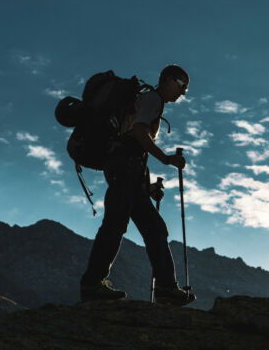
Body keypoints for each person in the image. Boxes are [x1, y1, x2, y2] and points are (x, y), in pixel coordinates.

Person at [80, 64, 195, 306]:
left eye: (185, 88)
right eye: (181, 84)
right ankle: (93, 284)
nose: (183, 92)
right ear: (167, 79)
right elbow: (139, 133)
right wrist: (166, 159)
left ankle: (164, 287)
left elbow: (134, 146)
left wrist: (147, 187)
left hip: (126, 172)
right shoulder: (152, 99)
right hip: (125, 171)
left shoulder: (148, 100)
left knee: (151, 228)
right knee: (118, 225)